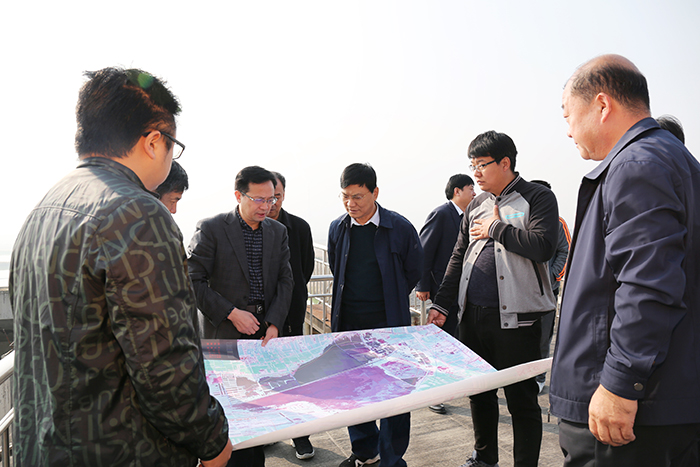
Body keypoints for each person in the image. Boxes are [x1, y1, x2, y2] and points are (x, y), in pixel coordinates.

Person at [9, 67, 232, 466]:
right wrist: (212, 441)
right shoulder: (137, 213)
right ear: (154, 142)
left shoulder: (45, 207)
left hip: (47, 447)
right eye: (174, 146)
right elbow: (165, 366)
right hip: (123, 451)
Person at [550, 54, 700, 467]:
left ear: (602, 105)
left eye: (568, 115)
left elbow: (649, 284)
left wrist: (619, 383)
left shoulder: (636, 165)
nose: (568, 130)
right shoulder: (675, 160)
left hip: (630, 412)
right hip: (667, 399)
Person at [427, 131, 559, 467]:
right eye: (472, 165)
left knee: (521, 400)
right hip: (473, 317)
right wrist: (442, 304)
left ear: (505, 163)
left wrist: (496, 228)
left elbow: (543, 246)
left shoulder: (538, 197)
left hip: (519, 319)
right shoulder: (476, 204)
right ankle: (484, 458)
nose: (476, 173)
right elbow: (458, 256)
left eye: (482, 164)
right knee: (480, 393)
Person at [188, 165, 293, 467]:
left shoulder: (278, 231)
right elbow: (192, 280)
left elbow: (286, 280)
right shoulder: (212, 228)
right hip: (223, 337)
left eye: (271, 199)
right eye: (258, 199)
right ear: (238, 195)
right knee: (228, 416)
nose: (266, 206)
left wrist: (274, 322)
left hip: (262, 338)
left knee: (259, 413)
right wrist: (232, 313)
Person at [328, 163, 423, 467]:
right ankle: (365, 450)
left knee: (395, 392)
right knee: (354, 390)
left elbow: (414, 269)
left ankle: (392, 458)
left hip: (388, 324)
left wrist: (392, 296)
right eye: (345, 196)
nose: (350, 204)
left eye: (357, 196)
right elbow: (336, 267)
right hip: (349, 324)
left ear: (375, 193)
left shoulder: (399, 227)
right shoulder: (338, 228)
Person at [266, 171, 316, 460]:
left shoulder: (299, 227)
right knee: (263, 376)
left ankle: (300, 435)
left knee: (295, 374)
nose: (272, 203)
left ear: (284, 195)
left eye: (277, 197)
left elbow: (305, 269)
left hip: (291, 314)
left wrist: (289, 299)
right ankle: (268, 432)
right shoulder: (250, 226)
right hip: (257, 317)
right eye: (267, 197)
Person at [417, 173, 475, 414]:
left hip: (464, 292)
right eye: (470, 189)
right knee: (440, 343)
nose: (474, 193)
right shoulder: (441, 214)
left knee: (459, 341)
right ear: (457, 191)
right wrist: (422, 285)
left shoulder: (469, 216)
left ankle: (457, 385)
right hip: (443, 291)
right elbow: (424, 251)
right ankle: (434, 393)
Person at [529, 179, 571, 394]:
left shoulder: (558, 222)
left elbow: (565, 251)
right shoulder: (519, 219)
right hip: (522, 291)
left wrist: (551, 276)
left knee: (543, 337)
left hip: (547, 291)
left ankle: (539, 377)